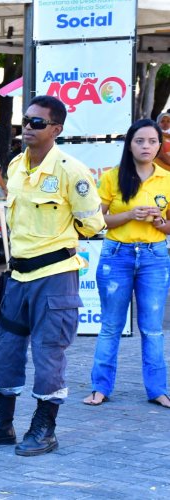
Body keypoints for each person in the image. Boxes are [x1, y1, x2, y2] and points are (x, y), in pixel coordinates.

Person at [0, 95, 105, 456]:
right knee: (5, 351)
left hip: (55, 277)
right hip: (17, 276)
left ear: (56, 129)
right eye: (26, 120)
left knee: (48, 354)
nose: (28, 127)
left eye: (37, 122)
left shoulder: (72, 172)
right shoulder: (15, 166)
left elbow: (92, 224)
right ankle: (0, 423)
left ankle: (44, 428)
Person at [82, 119, 170, 409]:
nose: (146, 146)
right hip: (116, 255)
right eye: (140, 141)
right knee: (110, 325)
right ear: (129, 144)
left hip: (155, 257)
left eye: (152, 141)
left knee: (152, 328)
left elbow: (168, 227)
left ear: (160, 145)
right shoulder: (112, 177)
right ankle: (100, 388)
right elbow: (98, 220)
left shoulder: (167, 179)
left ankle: (158, 390)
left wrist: (160, 222)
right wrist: (130, 214)